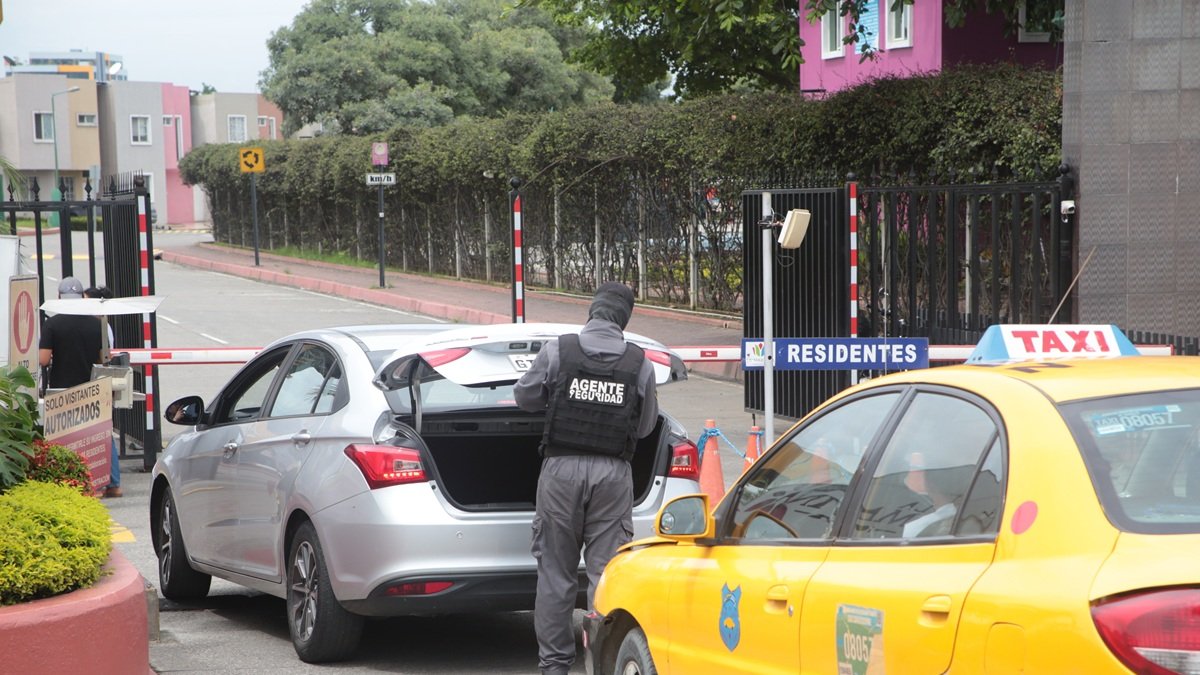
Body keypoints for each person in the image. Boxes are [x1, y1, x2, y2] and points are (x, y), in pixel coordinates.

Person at [514, 281, 659, 675]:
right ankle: (603, 663)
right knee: (606, 574)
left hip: (561, 471)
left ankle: (555, 666)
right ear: (624, 318)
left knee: (556, 574)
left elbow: (523, 397)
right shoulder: (638, 362)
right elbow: (646, 428)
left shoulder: (558, 349)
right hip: (613, 476)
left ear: (592, 311)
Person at [84, 286, 122, 499]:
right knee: (106, 432)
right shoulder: (101, 326)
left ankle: (104, 483)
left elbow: (102, 357)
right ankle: (113, 482)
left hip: (96, 383)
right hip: (102, 383)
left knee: (101, 432)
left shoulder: (99, 326)